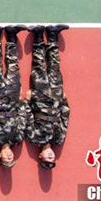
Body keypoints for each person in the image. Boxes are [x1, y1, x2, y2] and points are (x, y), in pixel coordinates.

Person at [0, 25, 31, 168]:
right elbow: (23, 119)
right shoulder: (18, 139)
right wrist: (22, 101)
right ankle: (11, 36)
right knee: (13, 67)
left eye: (6, 159)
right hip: (13, 100)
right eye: (11, 159)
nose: (10, 157)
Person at [25, 24, 70, 169]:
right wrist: (65, 102)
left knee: (39, 68)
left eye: (47, 159)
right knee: (54, 68)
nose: (51, 157)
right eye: (52, 159)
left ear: (40, 156)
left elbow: (28, 118)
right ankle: (52, 36)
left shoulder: (34, 139)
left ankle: (38, 36)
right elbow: (64, 120)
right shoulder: (59, 140)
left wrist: (27, 101)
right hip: (56, 99)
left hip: (40, 100)